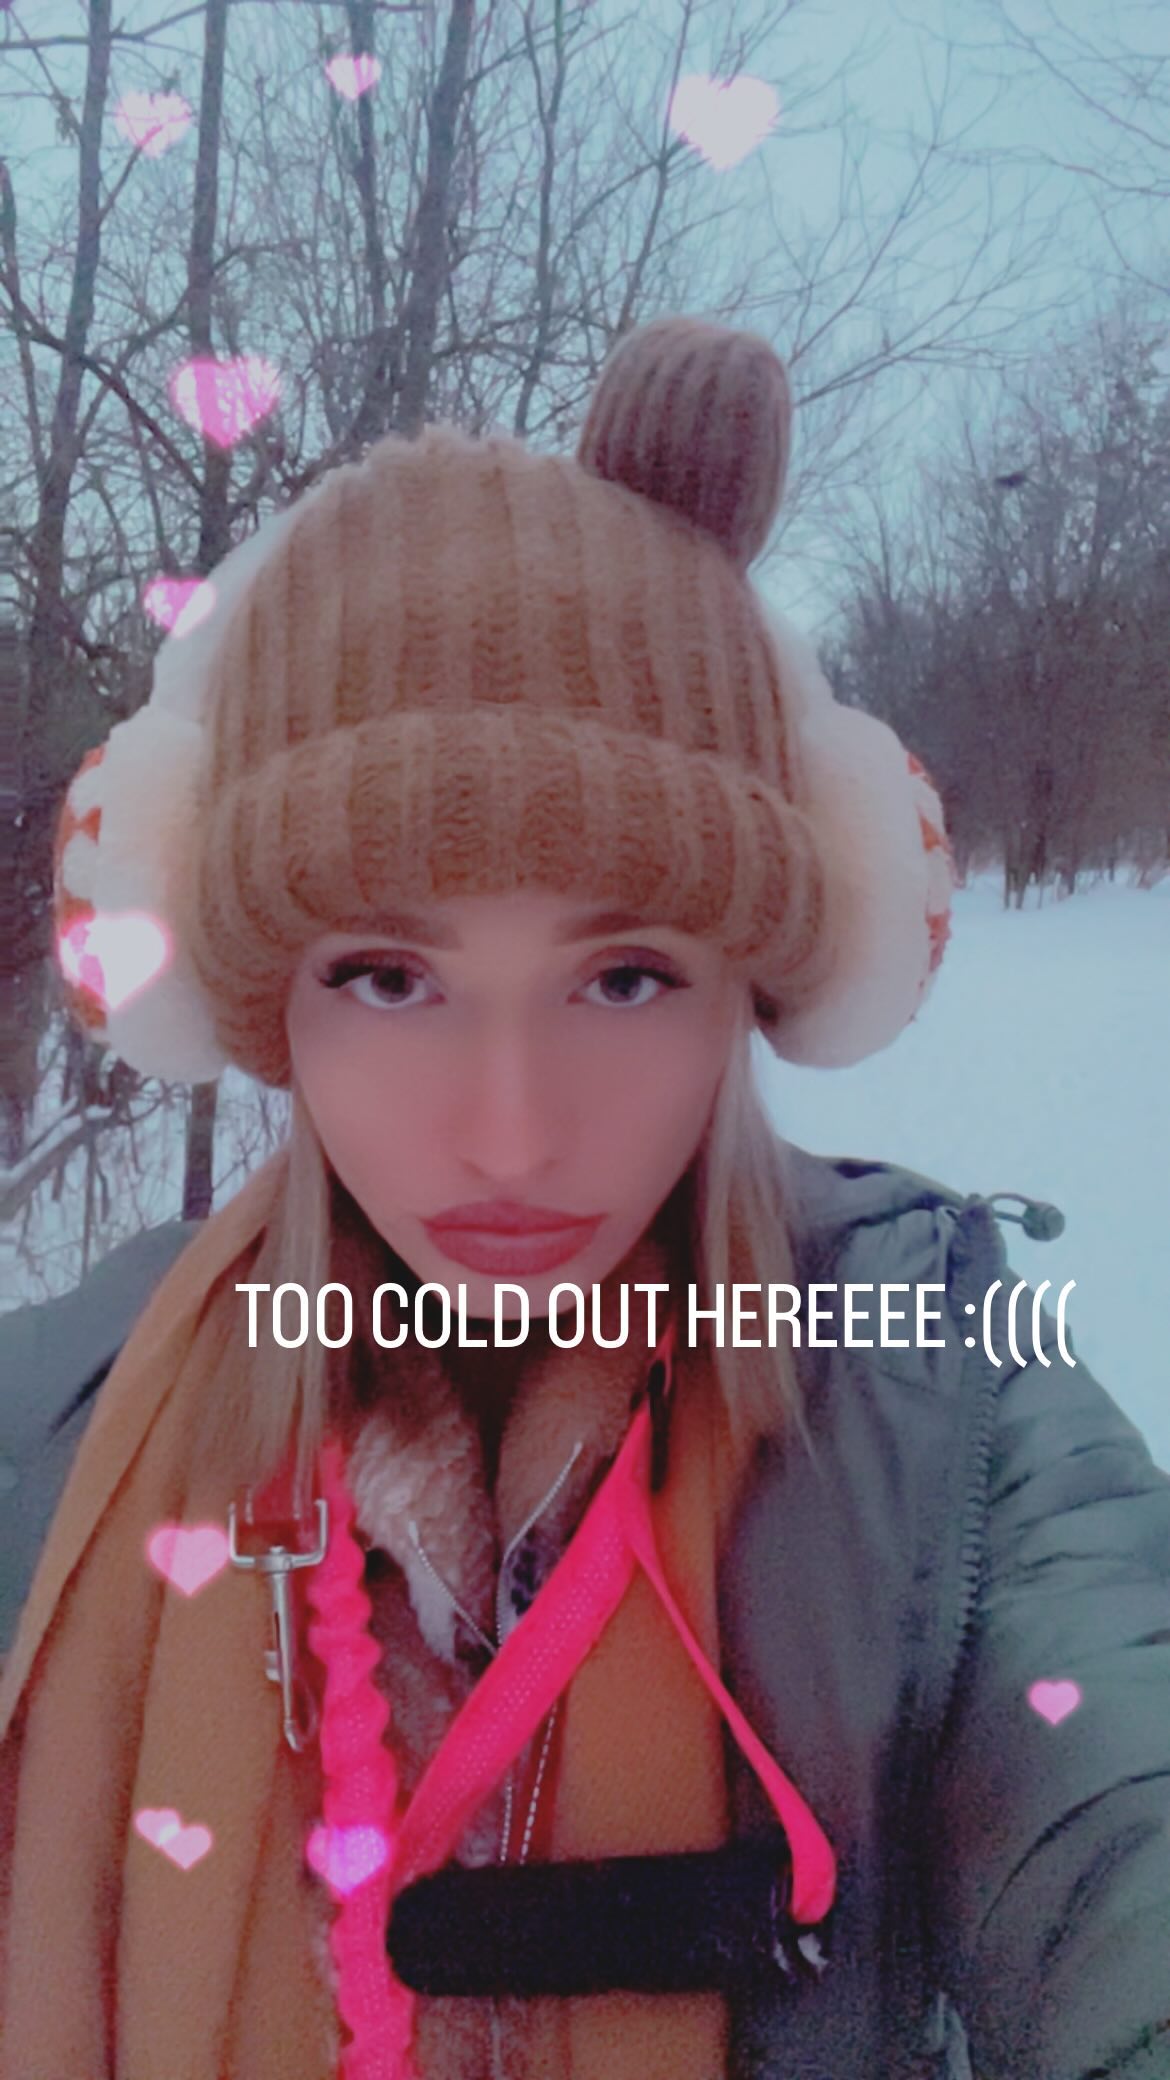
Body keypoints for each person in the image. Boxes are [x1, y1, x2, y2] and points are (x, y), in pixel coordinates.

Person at [1, 314, 1167, 2080]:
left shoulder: (948, 1420)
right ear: (262, 1007)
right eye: (387, 976)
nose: (510, 1133)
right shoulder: (49, 1430)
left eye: (624, 977)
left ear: (753, 990)